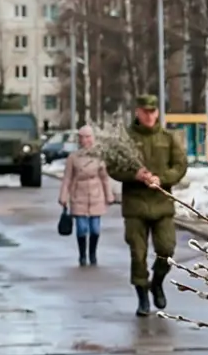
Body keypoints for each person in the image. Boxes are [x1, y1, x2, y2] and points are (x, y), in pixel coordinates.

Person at [106, 95, 187, 318]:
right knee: (138, 254)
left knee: (166, 250)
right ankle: (142, 295)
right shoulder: (126, 139)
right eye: (145, 111)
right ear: (138, 112)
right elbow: (112, 167)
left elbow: (180, 166)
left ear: (157, 113)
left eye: (152, 111)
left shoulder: (168, 138)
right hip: (136, 207)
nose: (149, 116)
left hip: (162, 206)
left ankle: (157, 282)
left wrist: (162, 178)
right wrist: (134, 175)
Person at [57, 126, 114, 267]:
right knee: (82, 228)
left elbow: (104, 178)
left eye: (88, 137)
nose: (85, 140)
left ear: (93, 138)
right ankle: (82, 255)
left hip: (96, 195)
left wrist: (109, 195)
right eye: (82, 137)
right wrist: (63, 196)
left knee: (95, 229)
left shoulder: (99, 156)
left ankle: (92, 254)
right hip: (78, 195)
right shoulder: (73, 157)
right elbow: (67, 178)